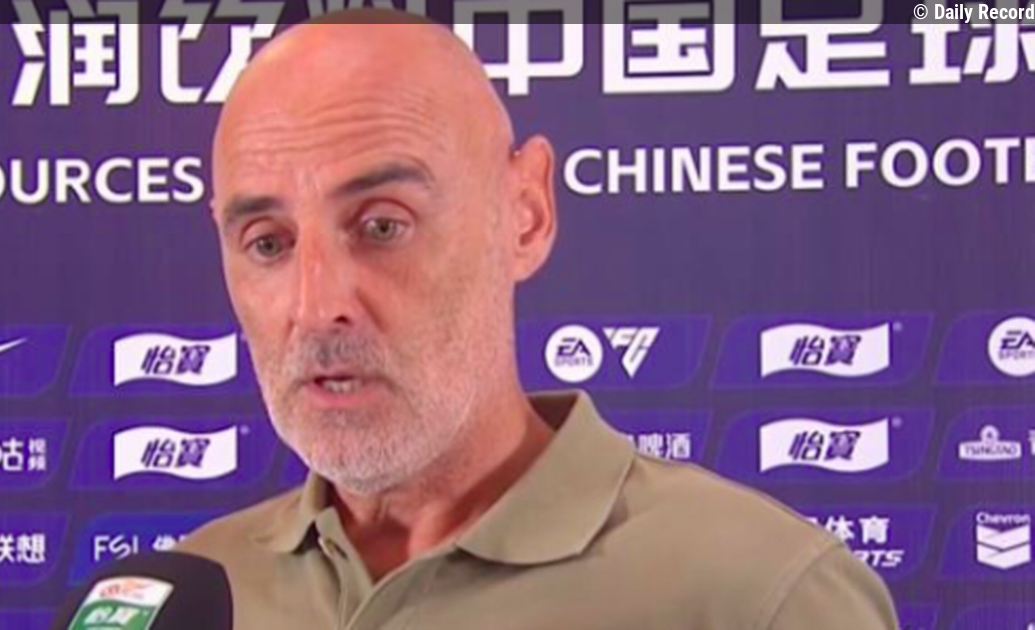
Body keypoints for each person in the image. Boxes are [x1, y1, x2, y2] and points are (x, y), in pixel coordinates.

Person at [177, 10, 899, 630]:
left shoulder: (763, 594)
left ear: (525, 214)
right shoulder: (190, 592)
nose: (315, 306)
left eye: (383, 226)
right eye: (267, 243)